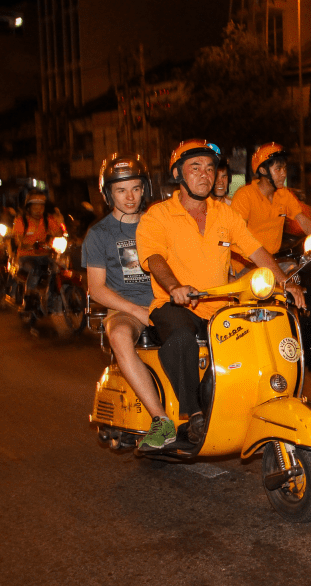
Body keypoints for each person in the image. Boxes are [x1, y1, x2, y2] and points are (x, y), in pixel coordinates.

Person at [136, 140, 306, 444]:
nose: (205, 175)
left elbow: (257, 251)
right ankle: (194, 415)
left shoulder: (224, 215)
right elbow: (154, 259)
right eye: (195, 168)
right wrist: (174, 287)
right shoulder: (157, 216)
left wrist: (285, 282)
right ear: (178, 174)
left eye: (210, 168)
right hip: (176, 306)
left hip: (221, 307)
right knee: (181, 339)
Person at [83, 154, 175, 450]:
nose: (130, 196)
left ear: (145, 189)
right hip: (126, 309)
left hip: (166, 301)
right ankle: (161, 422)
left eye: (135, 188)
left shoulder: (159, 222)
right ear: (108, 193)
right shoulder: (99, 234)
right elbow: (96, 289)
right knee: (120, 335)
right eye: (121, 190)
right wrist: (135, 309)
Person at [230, 143, 311, 270]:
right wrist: (258, 259)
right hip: (245, 264)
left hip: (272, 261)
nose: (283, 174)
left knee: (300, 277)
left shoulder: (284, 195)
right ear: (263, 170)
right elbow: (238, 235)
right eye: (278, 169)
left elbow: (303, 220)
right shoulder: (245, 195)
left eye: (284, 168)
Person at [11, 190, 66, 299]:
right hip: (27, 256)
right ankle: (29, 297)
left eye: (41, 207)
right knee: (34, 269)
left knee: (57, 268)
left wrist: (65, 233)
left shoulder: (48, 219)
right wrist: (29, 245)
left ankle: (51, 296)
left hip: (45, 255)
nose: (38, 210)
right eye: (35, 208)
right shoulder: (21, 221)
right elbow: (18, 241)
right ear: (29, 208)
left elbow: (59, 232)